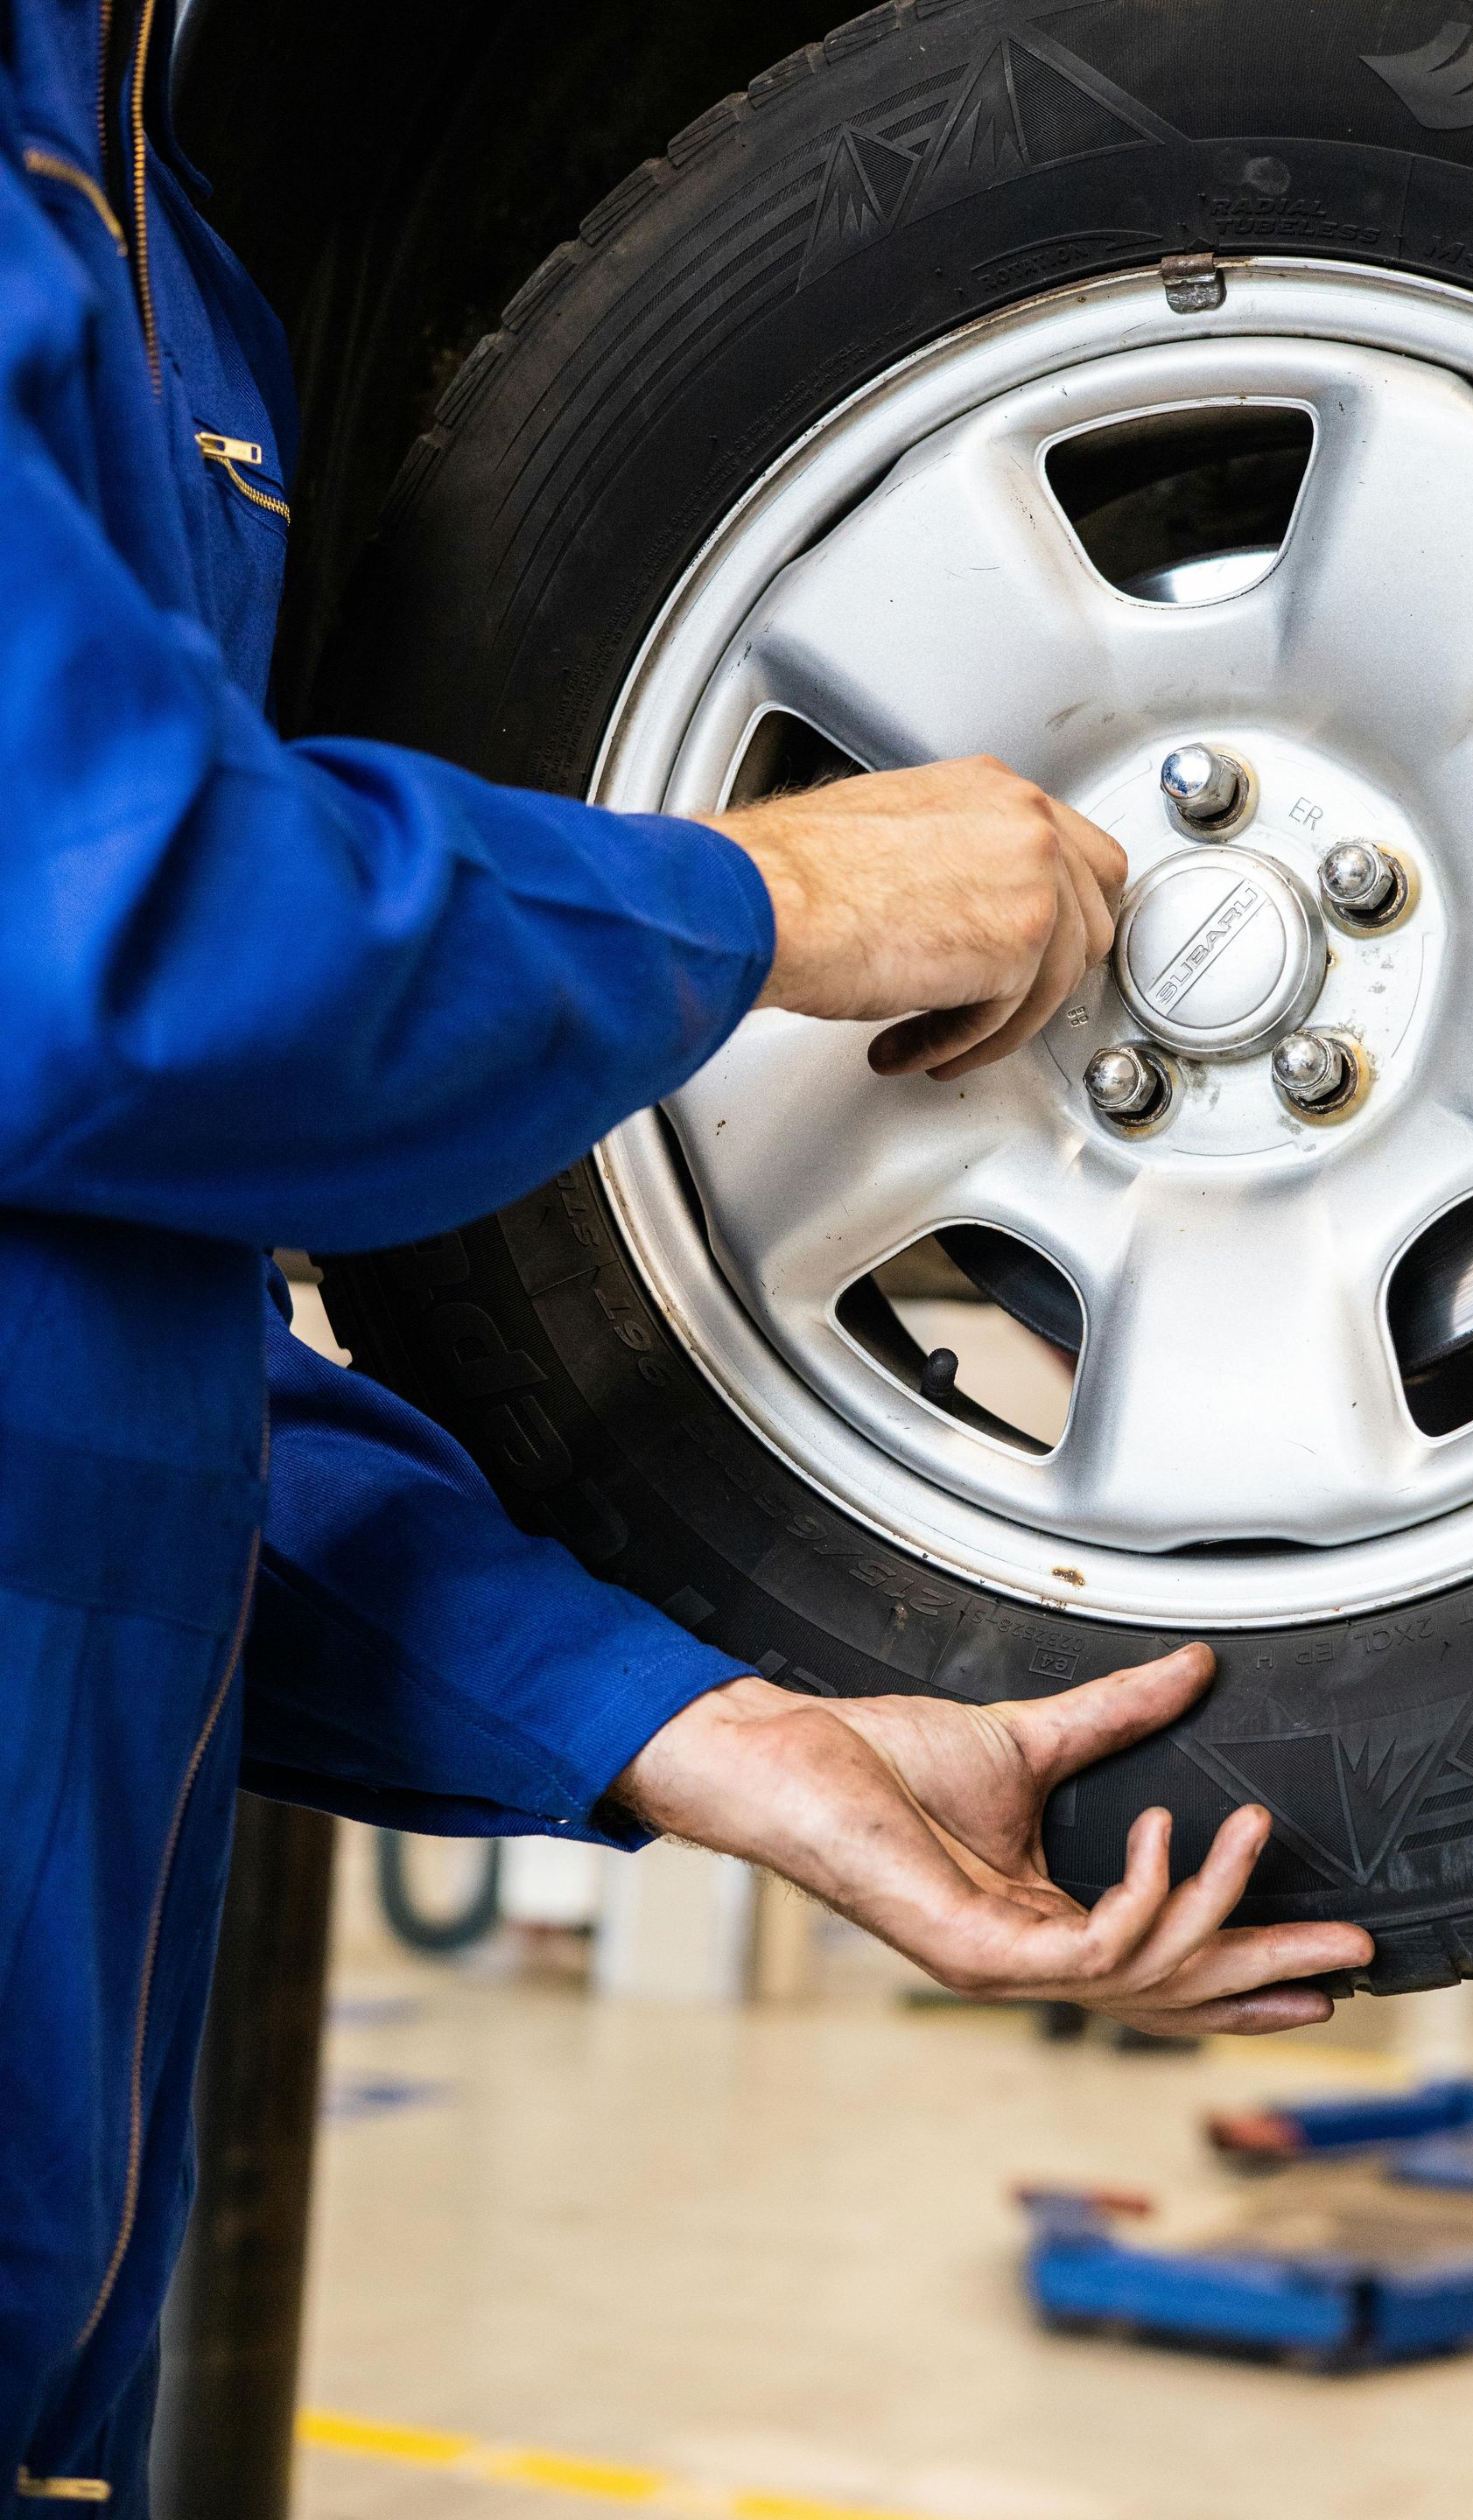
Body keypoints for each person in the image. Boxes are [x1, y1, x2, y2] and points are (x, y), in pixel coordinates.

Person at [0, 1, 1372, 2502]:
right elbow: (100, 947)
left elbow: (99, 1316)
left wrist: (715, 1736)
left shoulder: (167, 255)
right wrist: (781, 901)